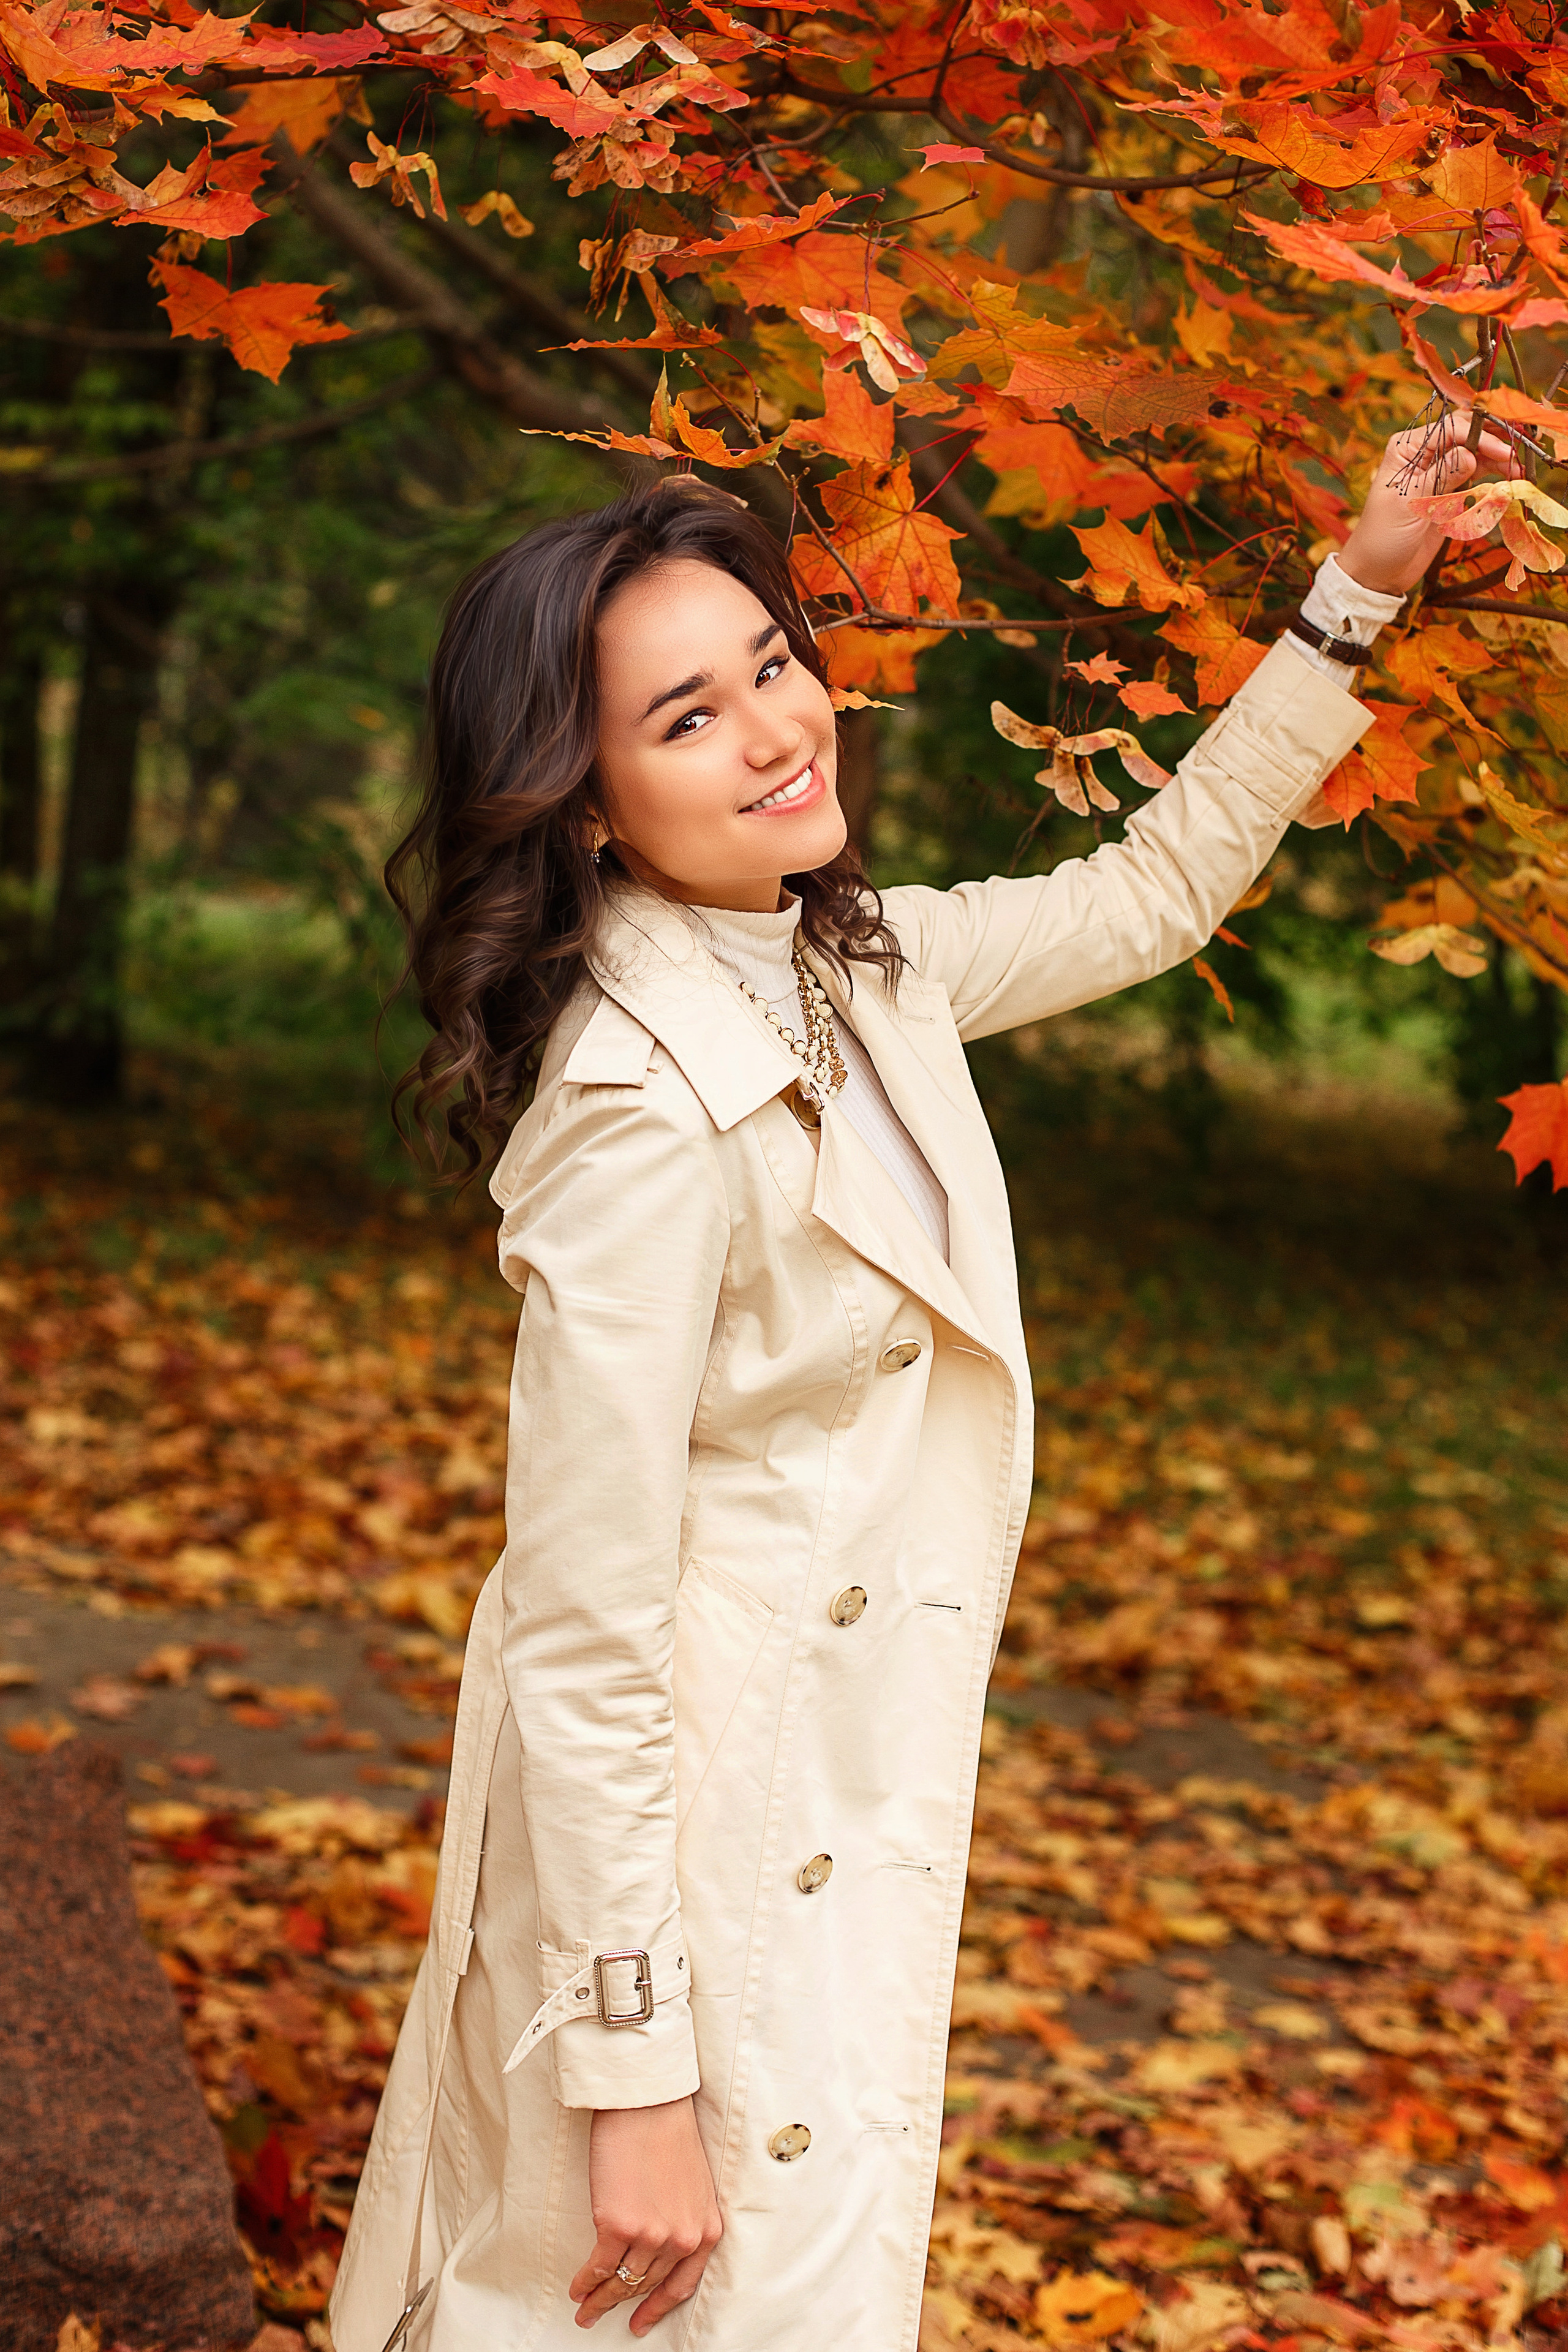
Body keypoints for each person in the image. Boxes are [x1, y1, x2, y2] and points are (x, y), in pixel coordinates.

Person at [328, 420, 1514, 2352]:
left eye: (774, 664)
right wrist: (633, 2077)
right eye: (688, 715)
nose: (779, 728)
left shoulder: (852, 970)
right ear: (591, 804)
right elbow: (583, 1617)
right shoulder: (641, 1102)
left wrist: (1355, 595)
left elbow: (1152, 894)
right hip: (691, 1826)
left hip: (833, 1762)